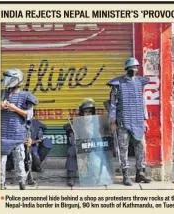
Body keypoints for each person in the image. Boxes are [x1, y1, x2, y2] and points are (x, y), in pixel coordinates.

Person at [107, 57, 152, 186]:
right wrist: (113, 121)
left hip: (138, 121)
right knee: (123, 148)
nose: (135, 69)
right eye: (133, 67)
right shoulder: (117, 84)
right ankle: (125, 174)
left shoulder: (140, 83)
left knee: (141, 146)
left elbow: (143, 103)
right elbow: (113, 105)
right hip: (123, 122)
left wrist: (145, 120)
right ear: (127, 68)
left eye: (136, 67)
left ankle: (140, 173)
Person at [1, 68, 38, 190]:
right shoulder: (0, 94)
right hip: (1, 136)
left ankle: (22, 185)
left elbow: (29, 115)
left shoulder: (26, 96)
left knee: (20, 164)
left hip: (18, 136)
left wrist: (14, 108)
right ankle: (1, 186)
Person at [63, 99, 96, 187]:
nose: (88, 114)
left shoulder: (97, 123)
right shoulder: (77, 123)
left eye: (90, 112)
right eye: (86, 112)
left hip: (93, 146)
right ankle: (71, 177)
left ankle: (95, 176)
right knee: (71, 151)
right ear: (82, 113)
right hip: (80, 145)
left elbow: (103, 138)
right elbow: (72, 139)